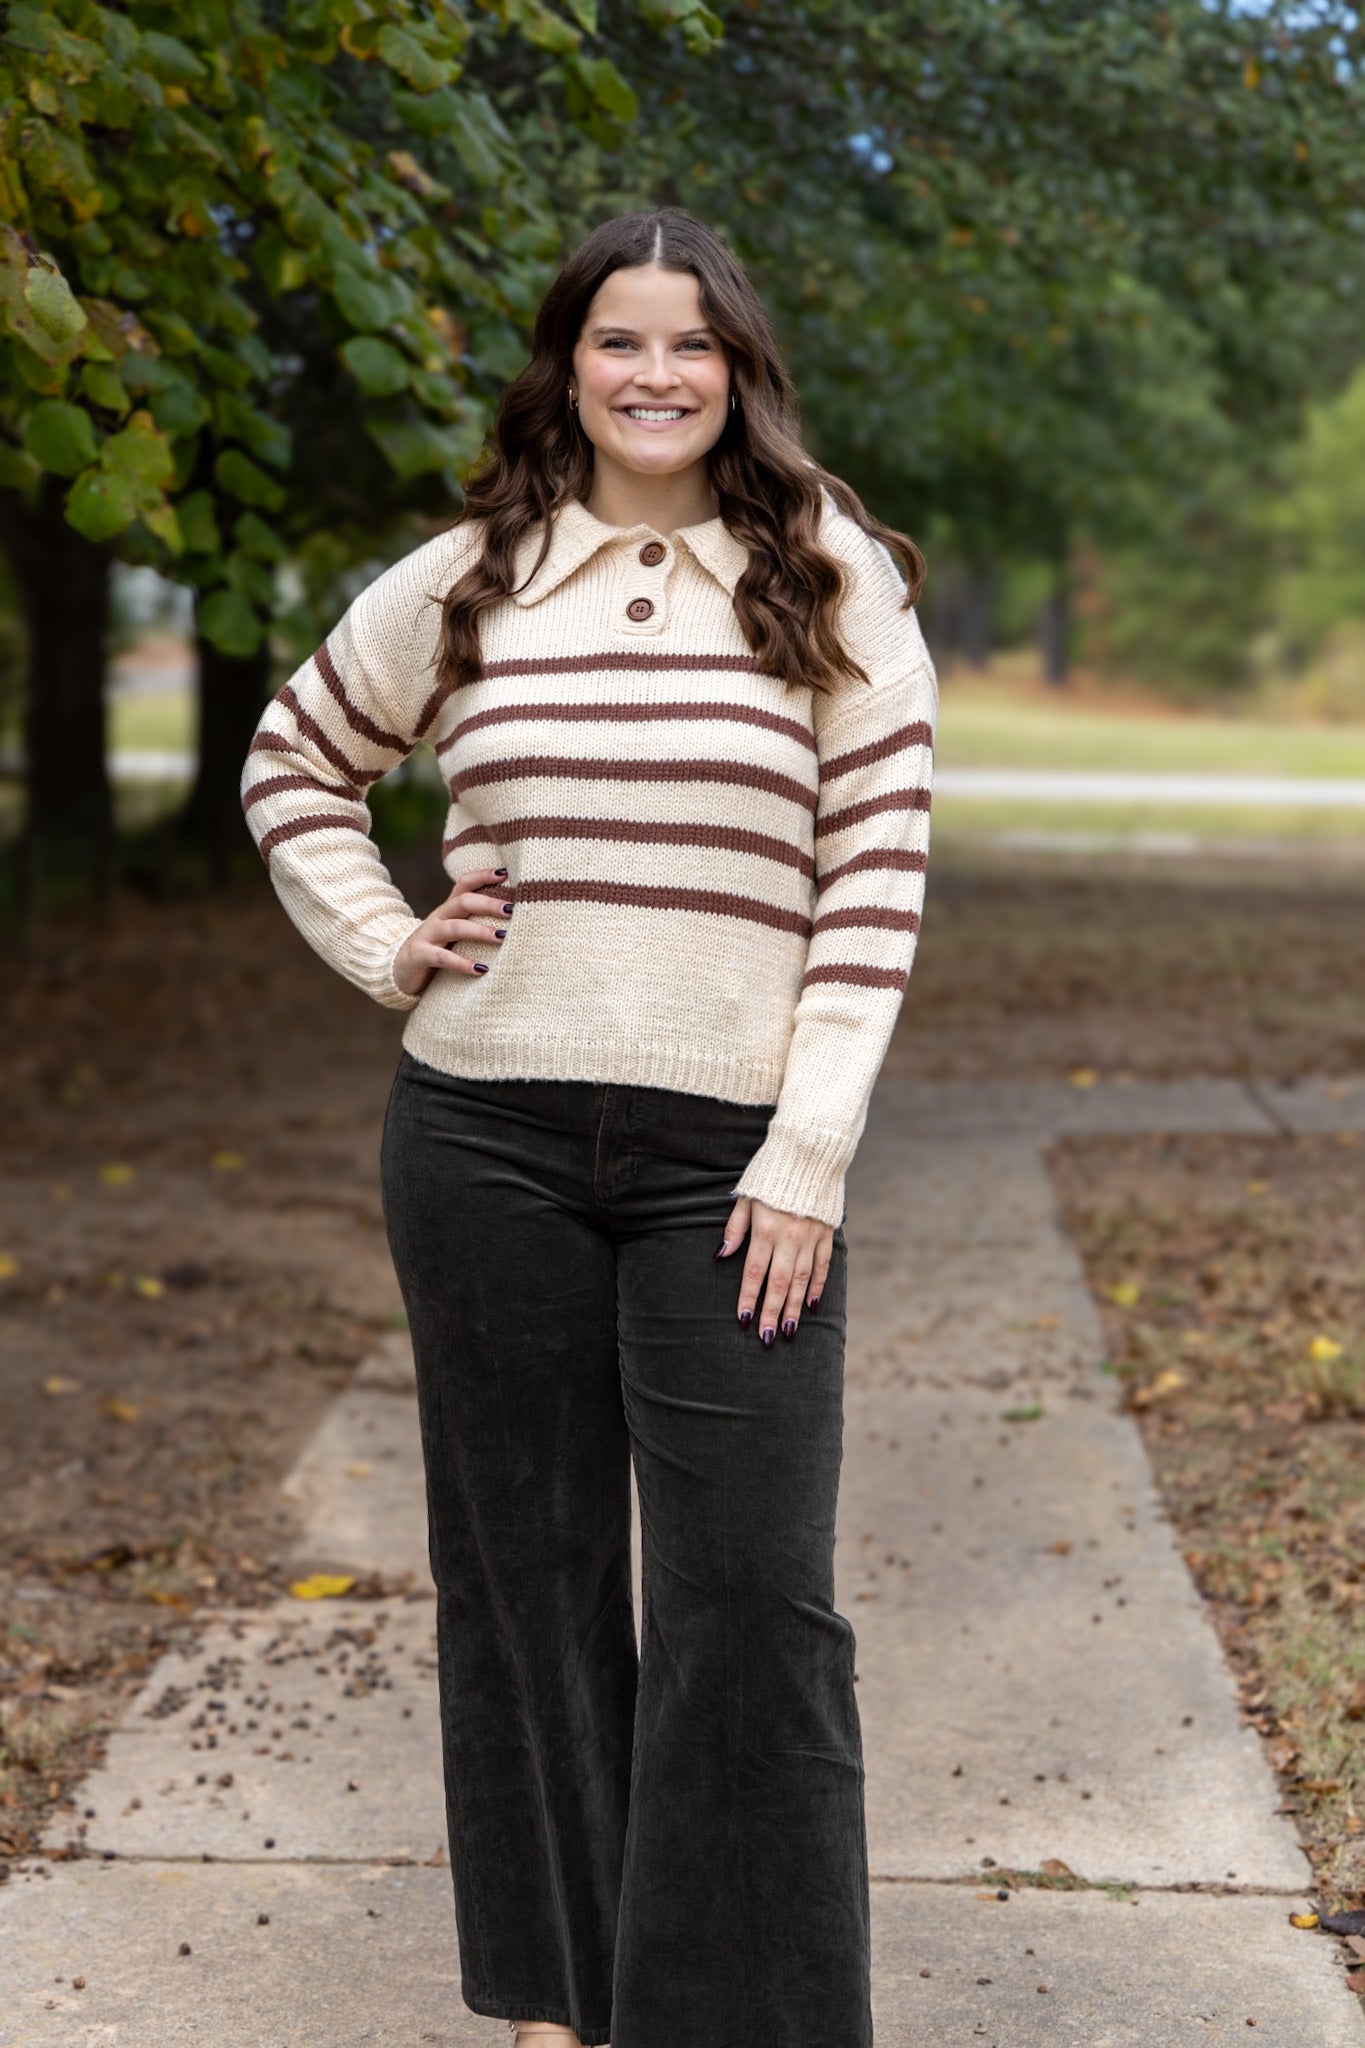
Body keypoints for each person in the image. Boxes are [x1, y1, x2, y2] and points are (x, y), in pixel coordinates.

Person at [241, 207, 936, 2048]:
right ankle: (562, 2004)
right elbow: (295, 760)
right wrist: (392, 942)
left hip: (733, 1166)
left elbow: (872, 880)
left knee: (752, 1597)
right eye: (618, 340)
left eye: (691, 344)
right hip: (485, 1138)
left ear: (740, 372)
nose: (654, 374)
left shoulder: (827, 576)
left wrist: (807, 1152)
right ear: (565, 363)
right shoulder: (468, 580)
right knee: (527, 1582)